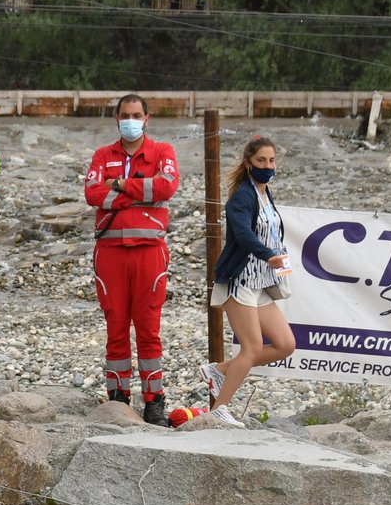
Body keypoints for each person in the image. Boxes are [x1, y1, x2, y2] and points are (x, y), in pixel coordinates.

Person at [85, 93, 180, 426]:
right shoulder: (102, 154)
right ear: (116, 118)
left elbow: (167, 187)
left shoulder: (162, 152)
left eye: (136, 114)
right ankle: (118, 397)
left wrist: (122, 185)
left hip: (150, 253)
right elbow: (92, 194)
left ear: (147, 119)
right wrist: (139, 194)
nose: (131, 119)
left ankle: (154, 401)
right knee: (115, 327)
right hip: (110, 253)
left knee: (149, 328)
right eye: (125, 114)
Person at [203, 135, 296, 428]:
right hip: (240, 281)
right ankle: (220, 409)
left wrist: (277, 259)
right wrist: (267, 254)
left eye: (271, 161)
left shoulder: (266, 195)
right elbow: (243, 234)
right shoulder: (242, 197)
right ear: (248, 163)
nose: (267, 166)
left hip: (261, 284)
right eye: (261, 161)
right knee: (252, 348)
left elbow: (272, 232)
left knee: (285, 344)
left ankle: (219, 370)